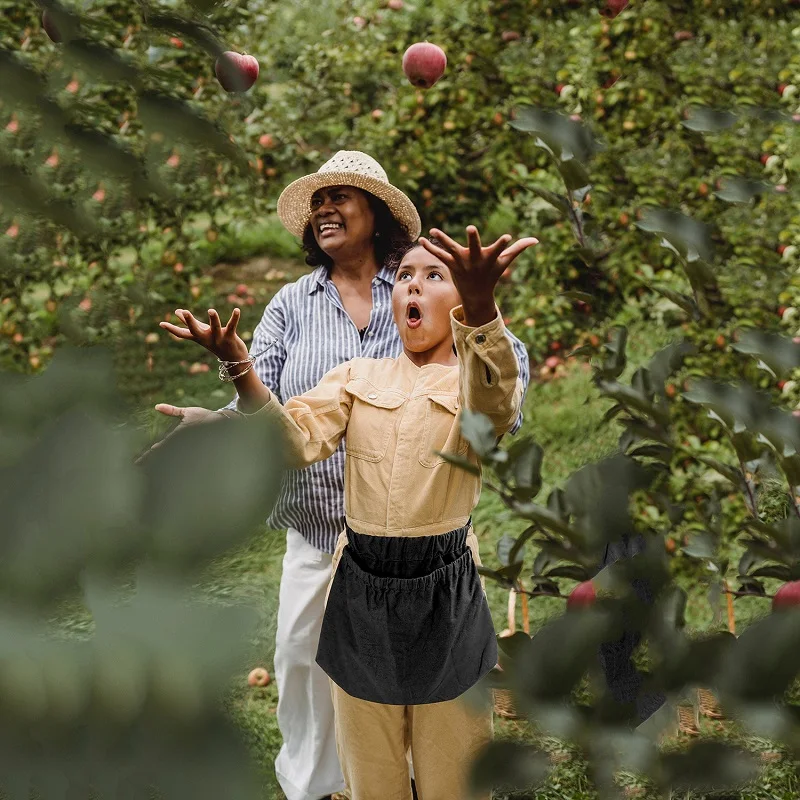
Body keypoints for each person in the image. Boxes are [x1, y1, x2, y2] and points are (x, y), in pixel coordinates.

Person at [154, 151, 532, 800]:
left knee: (442, 730)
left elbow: (497, 396)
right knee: (309, 677)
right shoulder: (299, 311)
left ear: (378, 214)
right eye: (317, 201)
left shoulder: (433, 307)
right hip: (330, 543)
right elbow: (280, 420)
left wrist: (477, 306)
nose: (324, 209)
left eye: (341, 197)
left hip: (436, 560)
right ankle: (315, 791)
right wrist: (225, 401)